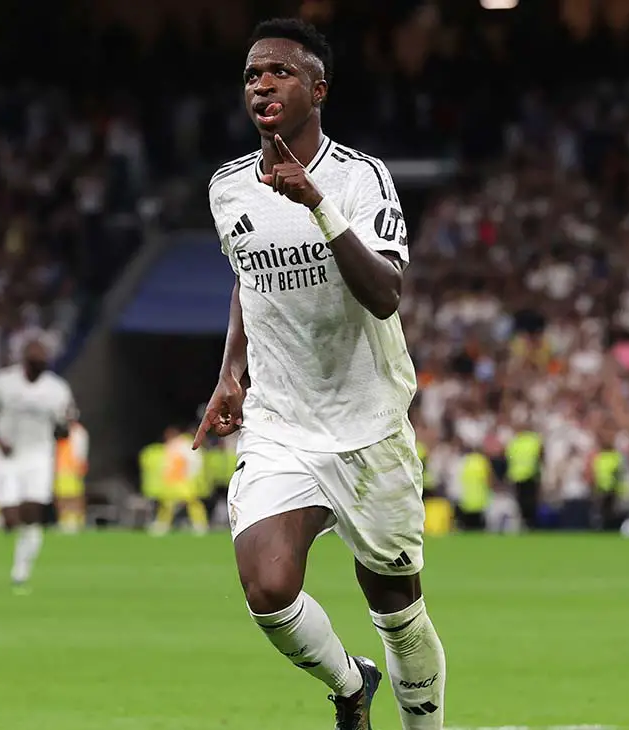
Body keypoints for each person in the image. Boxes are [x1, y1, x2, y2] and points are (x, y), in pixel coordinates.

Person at [194, 19, 446, 729]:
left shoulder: (359, 179)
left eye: (279, 71)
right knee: (267, 589)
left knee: (397, 610)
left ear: (318, 89)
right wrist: (230, 373)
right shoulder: (228, 188)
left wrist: (316, 203)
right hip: (282, 423)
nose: (262, 83)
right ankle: (348, 685)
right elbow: (248, 282)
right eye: (251, 74)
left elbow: (386, 293)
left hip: (368, 424)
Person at [0, 339, 75, 593]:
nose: (39, 365)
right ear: (24, 359)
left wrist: (65, 425)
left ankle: (21, 570)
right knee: (11, 518)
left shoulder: (57, 389)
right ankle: (13, 530)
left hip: (39, 455)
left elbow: (64, 428)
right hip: (7, 455)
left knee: (32, 512)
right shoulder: (3, 382)